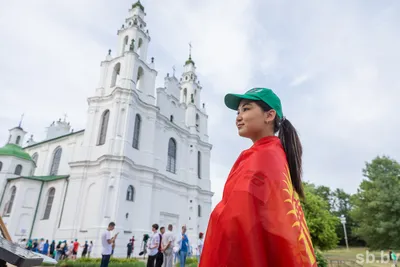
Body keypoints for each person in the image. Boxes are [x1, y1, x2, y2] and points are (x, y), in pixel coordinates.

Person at [199, 88, 317, 267]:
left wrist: (217, 215)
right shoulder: (272, 154)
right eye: (238, 112)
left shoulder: (265, 156)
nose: (238, 117)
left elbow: (240, 213)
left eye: (246, 109)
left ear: (269, 115)